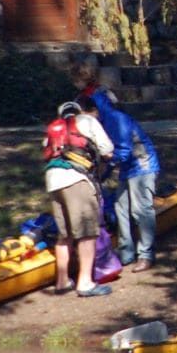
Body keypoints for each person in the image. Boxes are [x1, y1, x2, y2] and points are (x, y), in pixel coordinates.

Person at [78, 90, 161, 272]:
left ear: (92, 110)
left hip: (143, 166)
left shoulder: (116, 119)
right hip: (127, 169)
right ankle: (126, 252)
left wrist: (105, 167)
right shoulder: (100, 123)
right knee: (120, 208)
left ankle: (146, 255)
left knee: (141, 210)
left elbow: (123, 150)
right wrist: (102, 175)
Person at [43, 100, 115, 297]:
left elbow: (47, 151)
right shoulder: (87, 121)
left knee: (64, 235)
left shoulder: (53, 129)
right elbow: (107, 149)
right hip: (77, 180)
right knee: (87, 233)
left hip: (53, 181)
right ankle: (85, 283)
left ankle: (62, 281)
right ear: (79, 111)